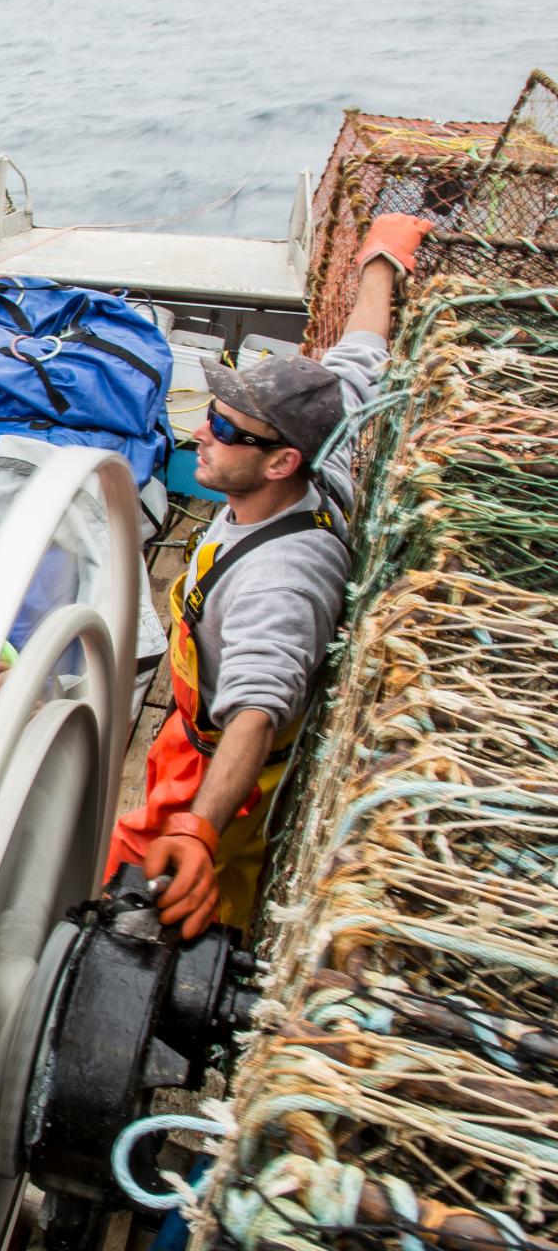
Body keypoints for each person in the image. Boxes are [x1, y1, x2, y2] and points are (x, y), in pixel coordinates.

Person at [104, 214, 434, 939]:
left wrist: (199, 829)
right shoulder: (324, 443)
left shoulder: (282, 577)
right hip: (188, 732)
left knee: (150, 913)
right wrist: (382, 259)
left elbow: (257, 707)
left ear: (282, 461)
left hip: (226, 776)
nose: (200, 431)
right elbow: (360, 354)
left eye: (225, 430)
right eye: (211, 415)